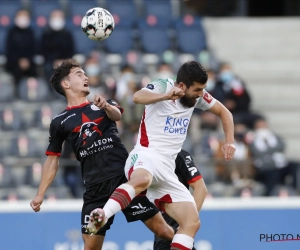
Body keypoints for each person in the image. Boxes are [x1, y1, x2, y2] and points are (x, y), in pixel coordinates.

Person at [87, 61, 236, 250]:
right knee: (142, 179)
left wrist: (229, 142)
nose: (201, 94)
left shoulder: (197, 97)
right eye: (197, 89)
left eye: (203, 89)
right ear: (181, 86)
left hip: (167, 168)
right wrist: (165, 96)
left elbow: (225, 112)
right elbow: (137, 97)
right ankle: (102, 215)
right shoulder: (164, 85)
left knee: (192, 222)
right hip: (145, 155)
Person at [29, 59, 175, 250]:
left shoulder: (103, 104)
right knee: (90, 248)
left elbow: (117, 115)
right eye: (79, 74)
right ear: (65, 84)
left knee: (164, 232)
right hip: (94, 189)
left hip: (123, 180)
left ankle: (187, 245)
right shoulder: (59, 122)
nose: (86, 77)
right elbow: (52, 159)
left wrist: (106, 106)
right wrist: (40, 194)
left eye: (85, 74)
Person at [153, 149, 207, 250]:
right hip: (163, 232)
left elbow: (201, 189)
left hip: (173, 230)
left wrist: (187, 223)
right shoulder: (145, 156)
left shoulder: (177, 153)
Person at [5, 9, 37, 85]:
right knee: (16, 72)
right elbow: (9, 49)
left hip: (29, 62)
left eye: (25, 16)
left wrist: (27, 60)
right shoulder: (11, 32)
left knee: (34, 72)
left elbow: (34, 48)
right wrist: (19, 61)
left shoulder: (31, 32)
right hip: (14, 62)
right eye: (20, 16)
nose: (23, 18)